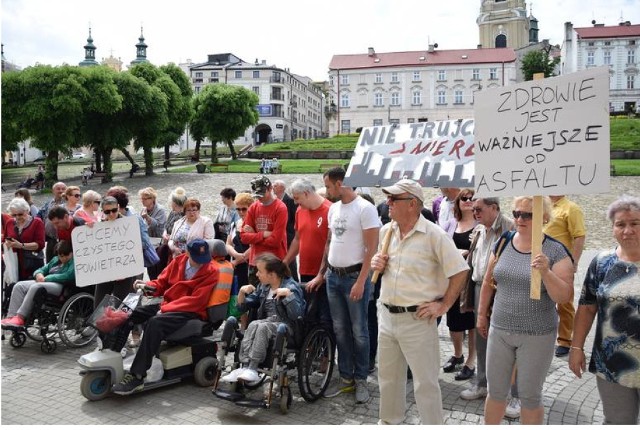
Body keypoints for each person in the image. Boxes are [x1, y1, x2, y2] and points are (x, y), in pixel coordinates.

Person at [370, 178, 469, 424]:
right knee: (389, 379)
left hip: (417, 318)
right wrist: (376, 265)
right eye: (388, 198)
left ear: (413, 204)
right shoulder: (387, 231)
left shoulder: (434, 235)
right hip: (387, 315)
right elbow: (385, 267)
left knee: (425, 383)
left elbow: (460, 270)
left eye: (394, 199)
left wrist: (444, 305)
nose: (388, 203)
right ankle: (389, 422)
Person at [477, 196, 574, 425]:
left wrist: (547, 272)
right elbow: (488, 281)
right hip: (500, 329)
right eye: (517, 213)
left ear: (544, 217)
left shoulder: (555, 250)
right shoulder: (504, 241)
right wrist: (482, 314)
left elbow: (564, 296)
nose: (520, 218)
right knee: (496, 391)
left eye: (527, 215)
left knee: (530, 396)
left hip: (536, 334)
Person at [112, 239, 220, 395]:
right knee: (129, 313)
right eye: (196, 258)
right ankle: (114, 354)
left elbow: (196, 301)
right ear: (187, 253)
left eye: (203, 259)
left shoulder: (211, 271)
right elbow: (162, 282)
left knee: (155, 323)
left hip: (190, 311)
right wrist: (149, 286)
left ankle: (137, 375)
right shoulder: (178, 261)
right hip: (169, 305)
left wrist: (165, 308)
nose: (200, 263)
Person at [568, 195, 640, 425]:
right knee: (617, 421)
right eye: (620, 224)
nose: (627, 230)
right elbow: (587, 308)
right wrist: (576, 347)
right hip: (612, 364)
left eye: (635, 223)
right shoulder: (601, 262)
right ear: (613, 229)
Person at [322, 167, 380, 403]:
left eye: (327, 186)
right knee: (340, 329)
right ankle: (345, 377)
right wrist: (325, 271)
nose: (326, 191)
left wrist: (361, 280)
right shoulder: (334, 208)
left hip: (354, 278)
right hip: (333, 277)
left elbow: (372, 248)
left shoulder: (365, 208)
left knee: (359, 331)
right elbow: (330, 240)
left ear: (340, 183)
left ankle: (361, 379)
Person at [459, 197, 515, 407]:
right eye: (473, 210)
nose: (475, 213)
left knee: (504, 343)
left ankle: (509, 393)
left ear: (494, 208)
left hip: (501, 291)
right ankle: (482, 383)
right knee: (481, 338)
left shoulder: (510, 226)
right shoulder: (480, 229)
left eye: (479, 209)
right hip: (478, 287)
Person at [220, 253, 305, 383]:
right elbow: (241, 309)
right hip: (267, 323)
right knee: (254, 324)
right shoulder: (264, 287)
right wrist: (242, 293)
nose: (257, 275)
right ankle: (245, 367)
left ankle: (253, 368)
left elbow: (297, 315)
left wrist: (288, 295)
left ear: (271, 274)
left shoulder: (291, 287)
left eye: (260, 271)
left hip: (286, 327)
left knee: (262, 327)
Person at [283, 178, 333, 329]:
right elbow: (298, 238)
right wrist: (285, 261)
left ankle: (326, 350)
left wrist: (322, 273)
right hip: (305, 270)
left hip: (324, 273)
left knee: (325, 317)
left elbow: (331, 243)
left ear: (306, 193)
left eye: (297, 198)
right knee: (308, 315)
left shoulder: (330, 210)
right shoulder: (300, 211)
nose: (296, 203)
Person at [440, 189, 478, 381]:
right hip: (453, 278)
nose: (468, 201)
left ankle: (471, 361)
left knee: (471, 322)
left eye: (472, 198)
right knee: (453, 320)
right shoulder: (450, 224)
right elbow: (441, 248)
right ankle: (457, 354)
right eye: (464, 198)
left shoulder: (481, 226)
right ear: (458, 202)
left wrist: (468, 253)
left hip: (472, 280)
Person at [543, 195, 587, 357]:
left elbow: (579, 236)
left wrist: (573, 262)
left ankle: (565, 339)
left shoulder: (571, 208)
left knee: (564, 303)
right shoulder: (541, 204)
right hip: (540, 260)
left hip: (561, 262)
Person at [1, 241, 74, 328]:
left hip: (60, 285)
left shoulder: (73, 262)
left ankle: (20, 316)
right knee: (19, 286)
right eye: (60, 255)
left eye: (65, 255)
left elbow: (68, 275)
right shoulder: (55, 260)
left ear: (71, 253)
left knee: (36, 287)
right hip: (46, 281)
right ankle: (11, 316)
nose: (63, 258)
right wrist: (38, 274)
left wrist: (47, 278)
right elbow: (42, 269)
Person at [240, 175, 288, 287]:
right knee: (253, 297)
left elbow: (275, 241)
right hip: (255, 262)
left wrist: (254, 236)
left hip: (274, 261)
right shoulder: (253, 207)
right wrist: (263, 234)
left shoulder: (280, 208)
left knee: (274, 299)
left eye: (262, 194)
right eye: (257, 195)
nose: (259, 198)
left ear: (270, 189)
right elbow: (243, 237)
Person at [5, 198, 46, 281]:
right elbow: (4, 239)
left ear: (27, 211)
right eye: (14, 215)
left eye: (20, 214)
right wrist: (6, 243)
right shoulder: (9, 222)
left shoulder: (37, 222)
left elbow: (40, 244)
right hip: (15, 263)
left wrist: (21, 245)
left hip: (32, 263)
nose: (17, 217)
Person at [273, 179, 299, 281]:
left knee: (291, 263)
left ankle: (295, 282)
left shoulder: (290, 201)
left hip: (289, 237)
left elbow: (295, 219)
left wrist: (291, 234)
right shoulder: (275, 201)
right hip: (279, 237)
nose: (273, 188)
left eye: (275, 185)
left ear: (282, 188)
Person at [226, 192, 253, 289]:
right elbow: (228, 244)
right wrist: (235, 254)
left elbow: (254, 247)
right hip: (236, 264)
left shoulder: (254, 225)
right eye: (238, 209)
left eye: (244, 209)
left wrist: (237, 261)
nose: (241, 212)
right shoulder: (234, 224)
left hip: (249, 266)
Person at [37, 181, 66, 262]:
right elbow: (39, 216)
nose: (61, 191)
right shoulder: (48, 203)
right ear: (53, 191)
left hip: (64, 240)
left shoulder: (69, 203)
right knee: (50, 262)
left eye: (63, 189)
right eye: (58, 189)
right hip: (51, 239)